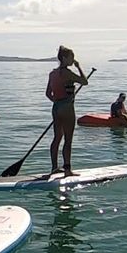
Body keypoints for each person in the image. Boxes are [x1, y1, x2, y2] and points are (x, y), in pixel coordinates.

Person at [46, 45, 89, 175]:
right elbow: (84, 81)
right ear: (64, 58)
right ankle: (67, 170)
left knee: (57, 138)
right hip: (67, 108)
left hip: (56, 108)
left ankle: (54, 168)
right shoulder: (67, 72)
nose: (73, 59)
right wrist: (79, 67)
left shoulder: (52, 73)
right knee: (68, 139)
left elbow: (48, 94)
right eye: (71, 57)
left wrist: (58, 102)